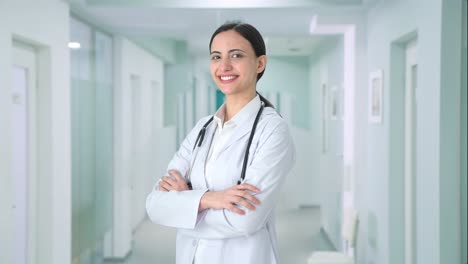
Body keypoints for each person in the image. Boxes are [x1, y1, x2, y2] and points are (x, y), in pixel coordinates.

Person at [146, 22, 295, 264]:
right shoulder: (203, 128)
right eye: (216, 56)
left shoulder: (272, 131)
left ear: (260, 63)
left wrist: (185, 207)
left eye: (236, 55)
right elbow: (155, 206)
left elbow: (246, 219)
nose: (224, 66)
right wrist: (209, 199)